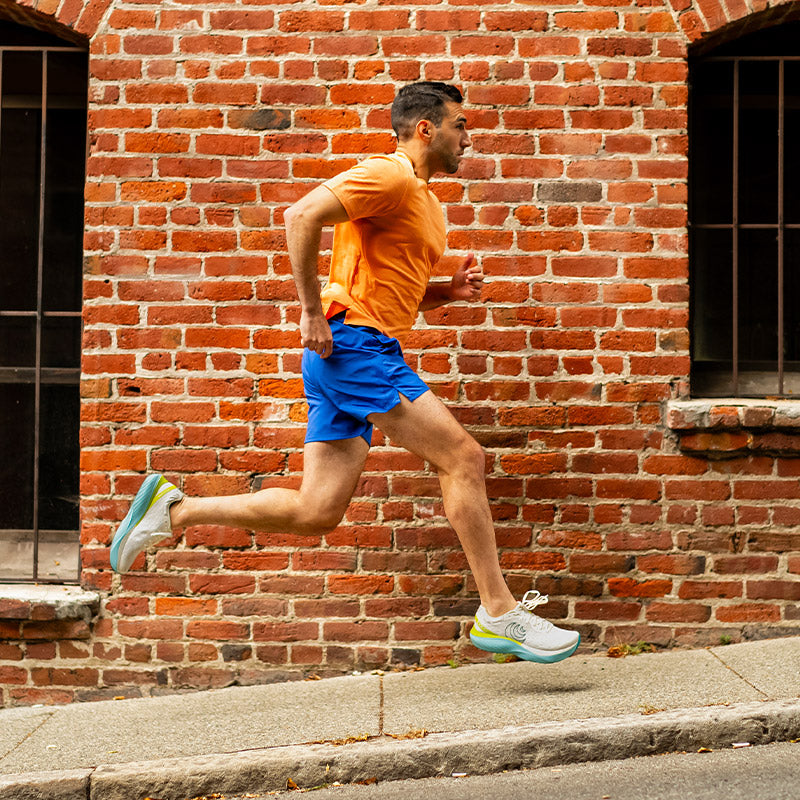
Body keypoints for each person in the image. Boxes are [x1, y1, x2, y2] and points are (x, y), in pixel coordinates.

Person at [110, 82, 580, 665]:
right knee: (463, 458)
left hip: (357, 346)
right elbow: (301, 214)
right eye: (461, 124)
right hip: (353, 346)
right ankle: (498, 612)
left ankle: (175, 510)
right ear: (426, 128)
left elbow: (387, 295)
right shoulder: (390, 175)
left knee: (318, 510)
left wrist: (445, 293)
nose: (469, 137)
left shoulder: (427, 202)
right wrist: (310, 310)